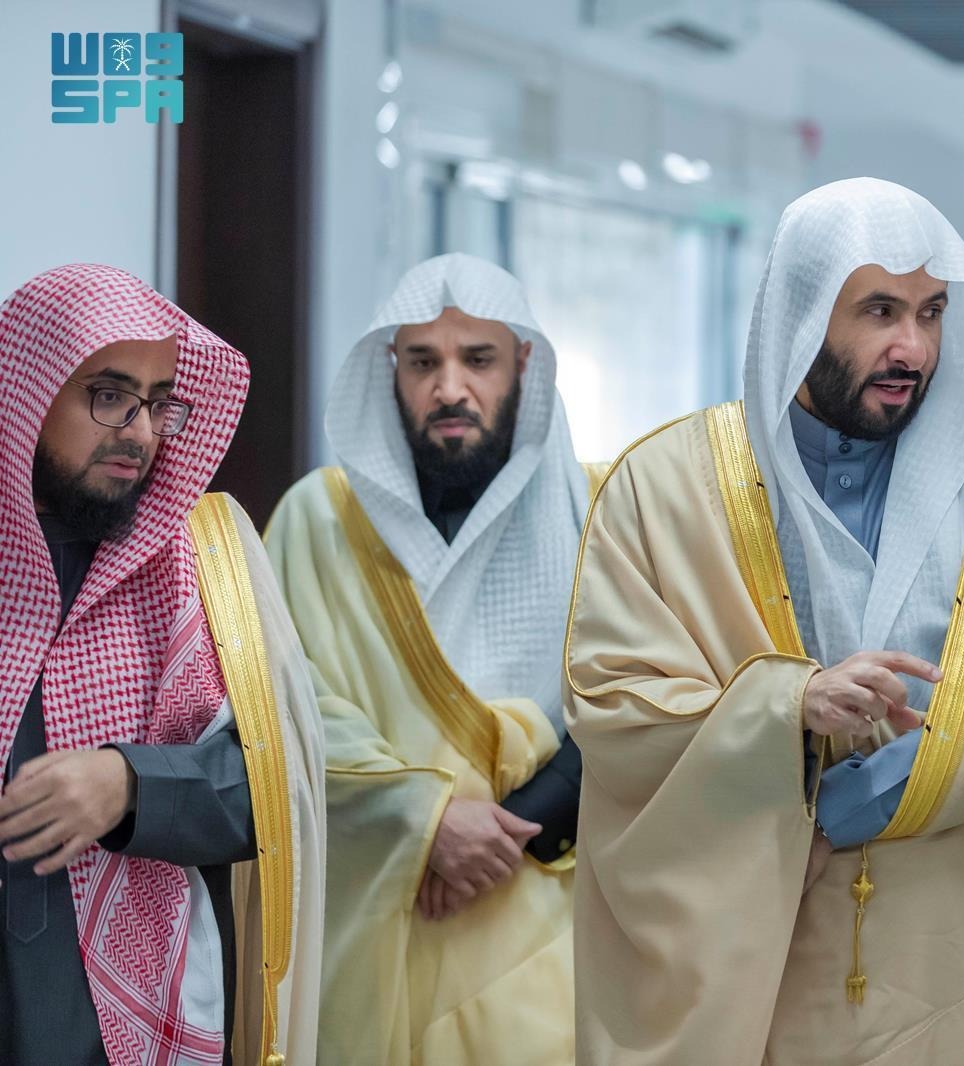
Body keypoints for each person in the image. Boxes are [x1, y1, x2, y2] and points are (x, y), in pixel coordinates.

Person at [565, 178, 964, 1066]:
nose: (914, 347)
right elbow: (616, 701)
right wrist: (790, 707)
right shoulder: (665, 487)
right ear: (802, 313)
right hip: (757, 955)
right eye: (879, 311)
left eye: (932, 312)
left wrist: (881, 791)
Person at [267, 254, 592, 1064]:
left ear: (523, 365)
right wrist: (423, 821)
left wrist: (512, 833)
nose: (450, 389)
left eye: (478, 360)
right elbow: (282, 705)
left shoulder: (594, 513)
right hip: (369, 923)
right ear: (391, 369)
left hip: (545, 925)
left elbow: (639, 700)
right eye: (423, 363)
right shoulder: (318, 520)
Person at [0, 263, 324, 1065]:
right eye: (110, 396)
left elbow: (272, 789)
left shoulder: (203, 568)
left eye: (158, 403)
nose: (142, 431)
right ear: (26, 394)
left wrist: (132, 785)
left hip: (131, 1022)